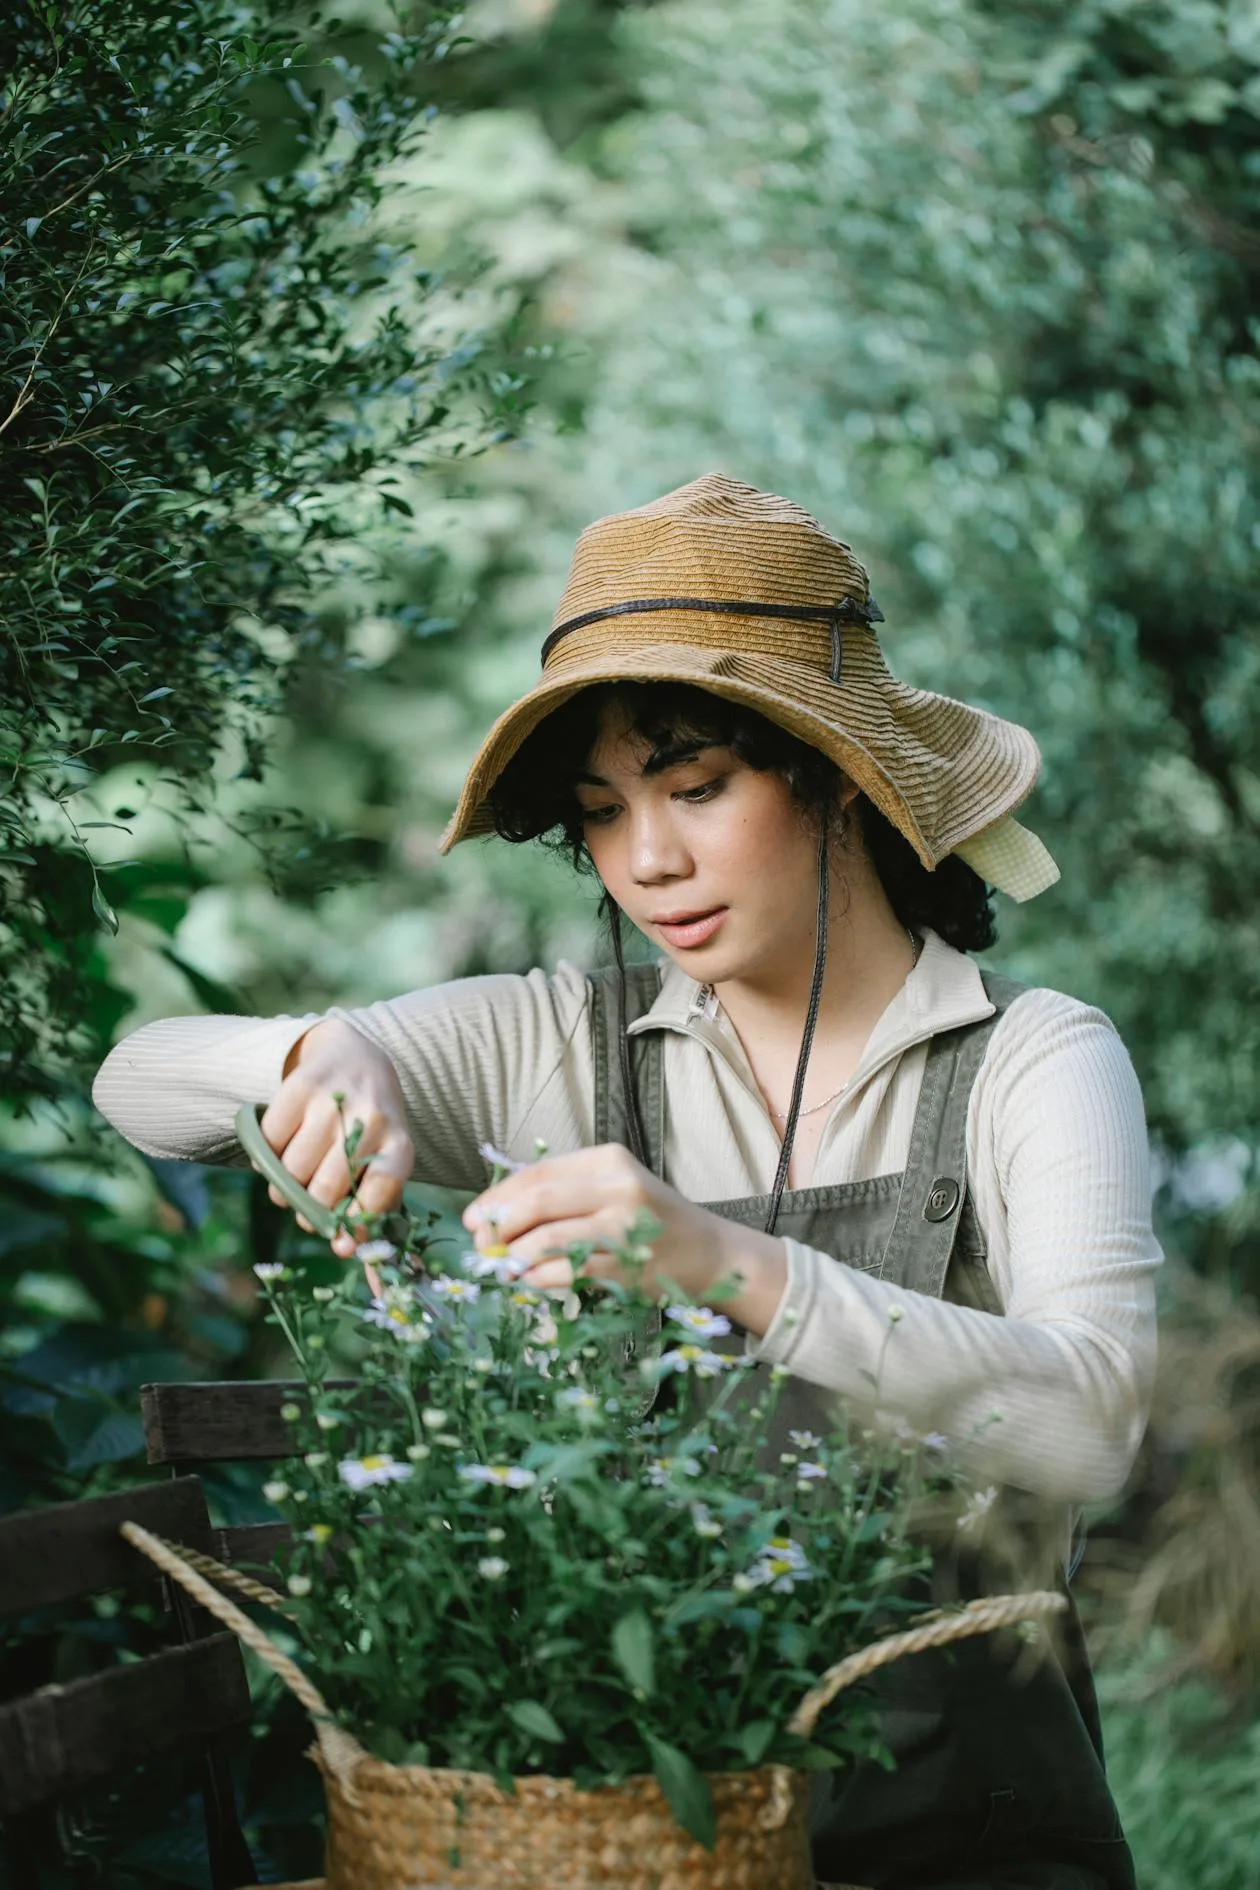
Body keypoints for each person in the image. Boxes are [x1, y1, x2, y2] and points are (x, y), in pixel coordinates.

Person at [94, 474, 1159, 1888]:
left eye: (698, 788)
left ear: (834, 769)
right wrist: (320, 1049)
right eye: (603, 811)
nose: (648, 860)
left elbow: (1093, 1426)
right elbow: (137, 1079)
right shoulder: (560, 1043)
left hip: (973, 1845)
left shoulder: (1034, 1058)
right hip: (633, 1840)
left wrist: (716, 1258)